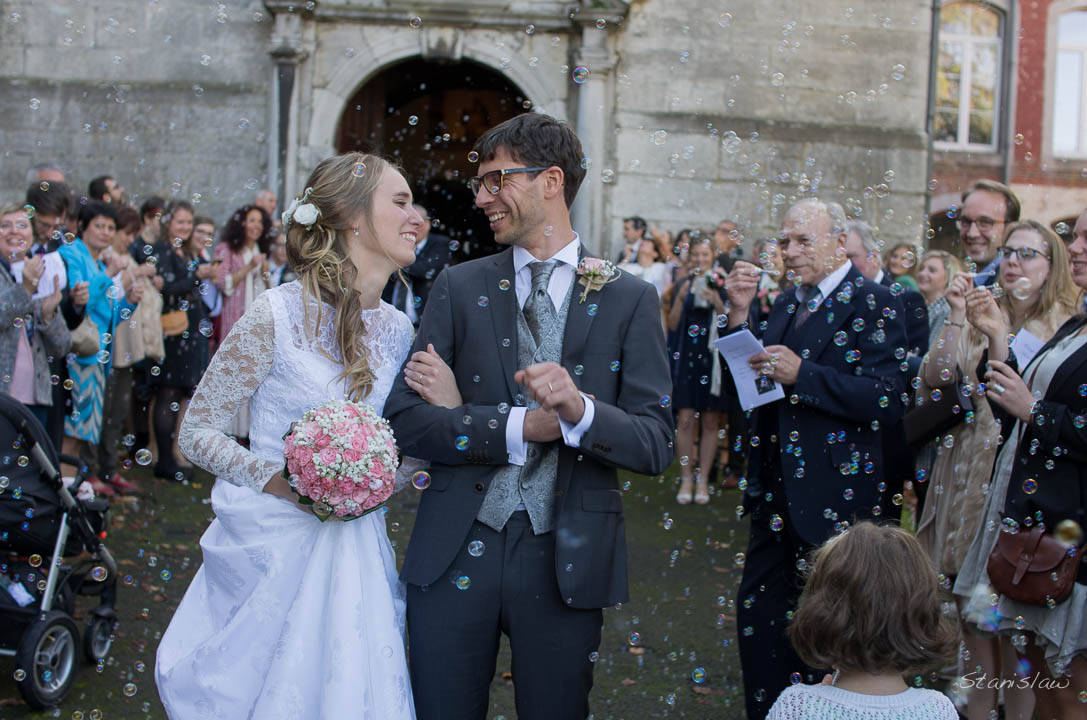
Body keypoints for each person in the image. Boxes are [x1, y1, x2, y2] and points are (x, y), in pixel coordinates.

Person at [384, 112, 674, 720]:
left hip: (567, 557)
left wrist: (581, 411)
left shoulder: (629, 297)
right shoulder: (459, 287)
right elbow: (405, 420)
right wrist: (521, 425)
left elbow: (654, 444)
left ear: (551, 181)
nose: (482, 197)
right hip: (454, 547)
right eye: (480, 183)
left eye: (497, 179)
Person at [158, 153, 430, 719]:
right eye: (401, 202)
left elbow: (408, 452)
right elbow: (200, 429)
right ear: (353, 219)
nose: (417, 217)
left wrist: (376, 482)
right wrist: (284, 483)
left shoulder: (401, 330)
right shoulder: (275, 315)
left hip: (357, 548)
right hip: (274, 547)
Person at [723, 198, 909, 719]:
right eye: (784, 241)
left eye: (803, 241)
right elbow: (755, 393)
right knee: (758, 624)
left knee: (827, 637)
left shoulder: (876, 301)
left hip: (834, 503)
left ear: (840, 240)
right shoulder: (785, 303)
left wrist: (803, 376)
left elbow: (889, 399)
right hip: (772, 496)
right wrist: (738, 318)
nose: (790, 251)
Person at [916, 220, 1078, 720]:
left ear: (1052, 266)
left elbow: (1035, 408)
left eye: (1027, 253)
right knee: (974, 615)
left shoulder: (1064, 325)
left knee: (1016, 626)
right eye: (1008, 252)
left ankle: (1008, 708)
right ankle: (979, 709)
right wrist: (962, 319)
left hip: (1018, 481)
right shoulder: (991, 310)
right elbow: (938, 379)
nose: (1012, 262)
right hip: (971, 473)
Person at [768, 522, 959, 719]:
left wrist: (812, 703)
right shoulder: (939, 709)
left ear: (822, 615)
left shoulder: (795, 706)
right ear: (923, 616)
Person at [57, 202, 143, 495]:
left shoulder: (95, 262)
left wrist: (129, 301)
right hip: (77, 357)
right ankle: (66, 498)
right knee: (72, 433)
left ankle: (72, 495)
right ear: (82, 226)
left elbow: (108, 316)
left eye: (110, 227)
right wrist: (108, 272)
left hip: (96, 356)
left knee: (82, 435)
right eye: (99, 226)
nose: (106, 233)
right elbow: (78, 306)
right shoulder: (72, 254)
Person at [151, 201, 217, 482]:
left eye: (188, 223)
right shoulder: (162, 251)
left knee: (181, 393)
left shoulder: (187, 250)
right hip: (173, 332)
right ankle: (164, 459)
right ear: (167, 223)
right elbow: (165, 289)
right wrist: (196, 276)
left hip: (189, 331)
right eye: (180, 222)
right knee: (167, 392)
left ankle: (174, 455)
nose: (185, 228)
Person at [96, 205, 158, 495]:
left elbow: (120, 307)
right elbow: (103, 299)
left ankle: (107, 469)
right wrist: (130, 276)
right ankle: (98, 470)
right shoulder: (108, 261)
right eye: (125, 233)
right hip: (111, 345)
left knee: (118, 412)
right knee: (105, 411)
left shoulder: (123, 258)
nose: (127, 239)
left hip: (125, 344)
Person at [667, 237, 729, 504]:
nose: (701, 260)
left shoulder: (722, 286)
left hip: (712, 361)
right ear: (690, 257)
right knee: (684, 419)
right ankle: (686, 477)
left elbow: (731, 323)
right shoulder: (682, 284)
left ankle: (703, 477)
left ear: (712, 256)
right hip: (687, 359)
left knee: (711, 420)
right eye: (696, 255)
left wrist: (717, 302)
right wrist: (680, 298)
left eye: (705, 255)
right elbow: (671, 324)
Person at [0, 202, 71, 428]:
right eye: (5, 225)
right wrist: (26, 290)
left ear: (31, 233)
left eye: (22, 225)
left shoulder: (42, 271)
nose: (14, 231)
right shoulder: (26, 278)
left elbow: (63, 345)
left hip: (35, 394)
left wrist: (49, 316)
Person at [213, 204, 271, 439]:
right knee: (232, 375)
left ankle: (245, 432)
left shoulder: (260, 249)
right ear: (241, 223)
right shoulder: (227, 249)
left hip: (256, 324)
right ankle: (226, 430)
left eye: (260, 222)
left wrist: (265, 271)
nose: (256, 226)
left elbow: (268, 289)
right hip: (235, 319)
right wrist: (249, 267)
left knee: (251, 376)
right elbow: (223, 284)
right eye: (251, 220)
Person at [844, 221, 929, 357]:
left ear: (873, 256)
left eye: (850, 257)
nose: (844, 264)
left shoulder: (908, 299)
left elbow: (915, 357)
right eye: (840, 257)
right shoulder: (841, 296)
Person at [381, 203, 452, 326]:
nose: (412, 227)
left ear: (428, 224)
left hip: (423, 321)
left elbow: (423, 270)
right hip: (391, 320)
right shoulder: (396, 244)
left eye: (417, 223)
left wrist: (392, 262)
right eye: (406, 222)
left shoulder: (439, 243)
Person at [957, 179, 1020, 286]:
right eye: (966, 222)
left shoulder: (1012, 286)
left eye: (985, 222)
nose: (972, 234)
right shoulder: (961, 282)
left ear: (1009, 228)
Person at [915, 250, 965, 352]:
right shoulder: (923, 306)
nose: (923, 273)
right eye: (921, 269)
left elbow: (932, 352)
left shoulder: (946, 310)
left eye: (932, 270)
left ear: (948, 277)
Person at [619, 229, 671, 298]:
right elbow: (617, 274)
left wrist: (659, 238)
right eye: (641, 243)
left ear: (655, 254)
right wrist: (628, 256)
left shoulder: (661, 267)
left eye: (648, 242)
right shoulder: (629, 267)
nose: (643, 243)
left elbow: (673, 260)